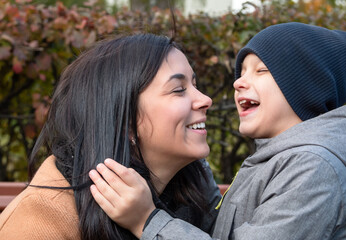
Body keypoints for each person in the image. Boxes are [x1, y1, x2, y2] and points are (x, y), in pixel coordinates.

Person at [90, 22, 346, 239]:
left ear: (307, 87)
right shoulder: (278, 159)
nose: (239, 82)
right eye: (241, 72)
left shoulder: (313, 168)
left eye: (261, 70)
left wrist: (147, 221)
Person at [0, 34, 222, 239]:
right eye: (178, 89)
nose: (205, 99)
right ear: (125, 122)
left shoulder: (194, 194)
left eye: (194, 85)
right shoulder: (38, 225)